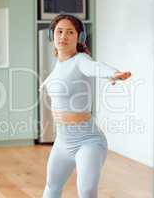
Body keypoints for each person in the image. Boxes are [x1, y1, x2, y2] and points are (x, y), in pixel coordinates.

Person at [40, 14, 131, 198]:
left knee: (87, 191)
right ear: (52, 36)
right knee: (52, 186)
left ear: (79, 37)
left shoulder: (81, 60)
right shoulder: (57, 67)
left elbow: (95, 67)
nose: (63, 36)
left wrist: (113, 74)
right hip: (63, 142)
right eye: (59, 31)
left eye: (69, 32)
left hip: (88, 142)